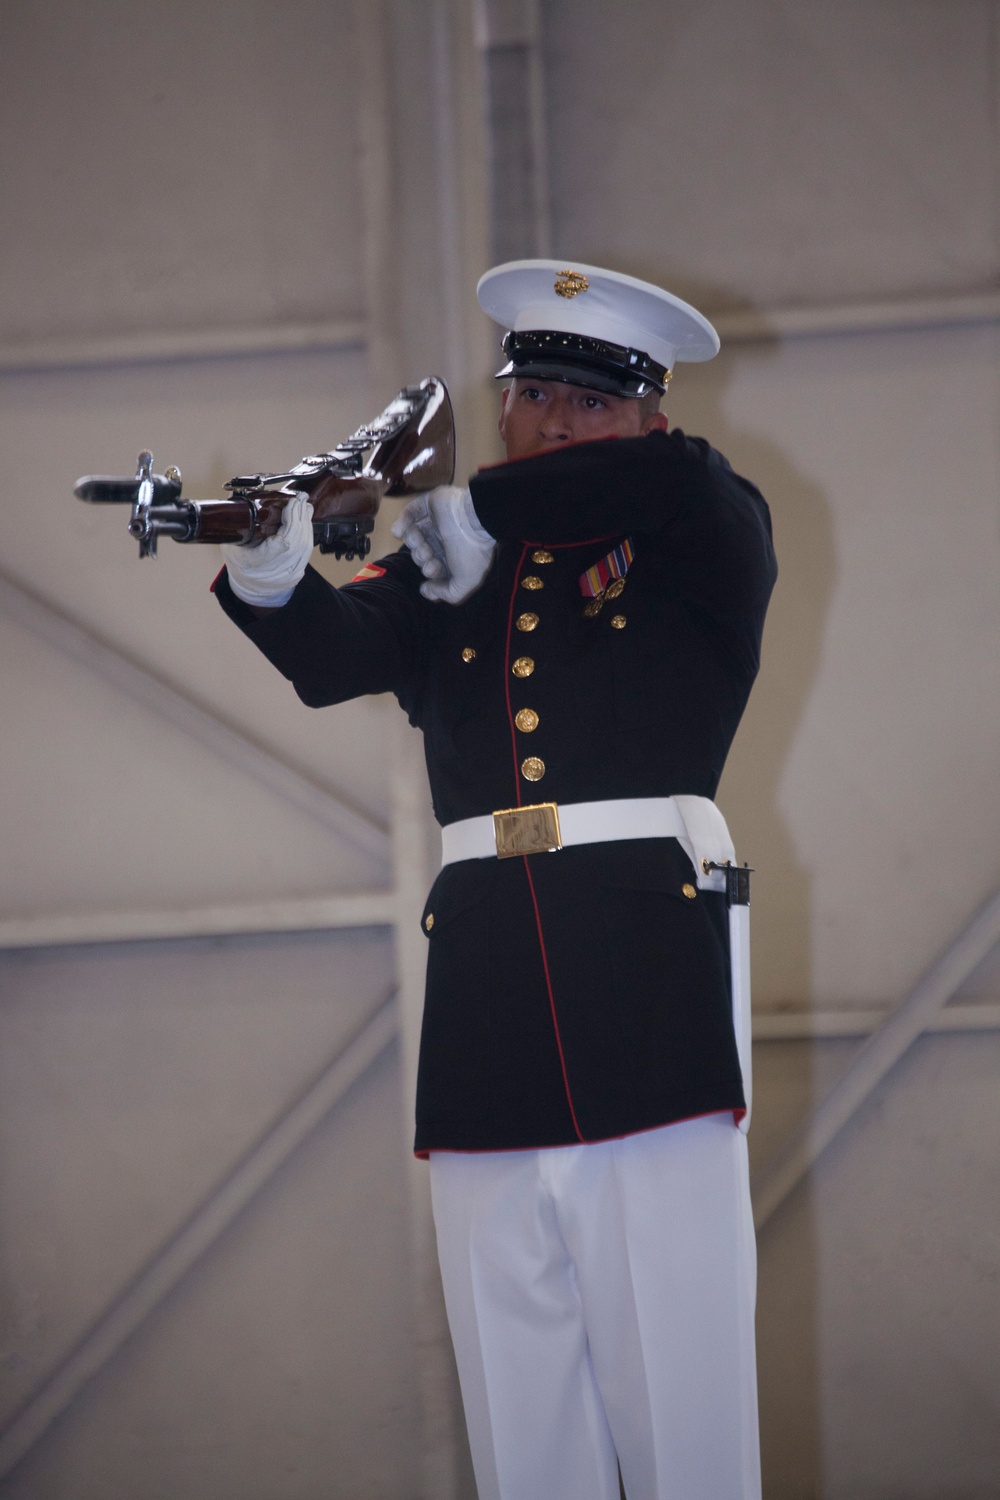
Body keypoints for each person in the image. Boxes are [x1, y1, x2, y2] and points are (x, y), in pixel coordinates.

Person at [215, 260, 777, 1500]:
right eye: (532, 394)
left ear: (648, 418)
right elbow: (334, 655)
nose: (554, 420)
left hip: (643, 971)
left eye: (589, 402)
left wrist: (455, 507)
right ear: (504, 402)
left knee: (677, 1385)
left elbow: (656, 488)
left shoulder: (697, 517)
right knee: (515, 1392)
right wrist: (272, 559)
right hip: (486, 981)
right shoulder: (455, 549)